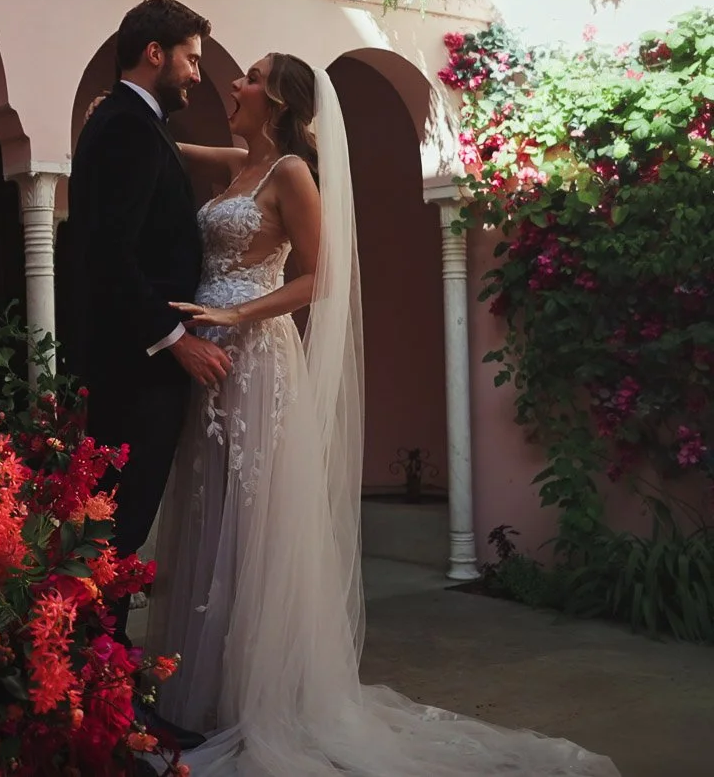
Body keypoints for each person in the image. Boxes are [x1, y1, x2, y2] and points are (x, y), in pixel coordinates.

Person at [140, 51, 620, 776]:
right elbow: (165, 148)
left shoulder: (290, 174)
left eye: (247, 77)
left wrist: (237, 311)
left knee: (255, 520)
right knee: (211, 517)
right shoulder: (238, 163)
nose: (231, 83)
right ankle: (202, 698)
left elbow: (319, 276)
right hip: (208, 366)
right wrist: (115, 124)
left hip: (255, 359)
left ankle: (259, 701)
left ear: (273, 98)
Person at [62, 0, 232, 645]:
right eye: (190, 59)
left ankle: (102, 679)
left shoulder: (136, 122)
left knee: (117, 529)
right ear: (154, 53)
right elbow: (108, 253)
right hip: (138, 368)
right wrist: (174, 340)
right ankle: (97, 687)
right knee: (118, 530)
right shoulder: (128, 127)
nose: (196, 73)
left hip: (137, 366)